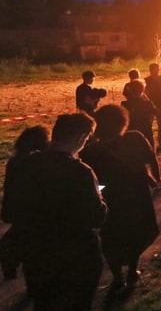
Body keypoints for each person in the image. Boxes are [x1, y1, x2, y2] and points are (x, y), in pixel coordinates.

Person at [4, 112, 106, 310]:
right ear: (80, 138)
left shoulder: (23, 166)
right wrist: (101, 201)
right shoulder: (81, 172)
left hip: (37, 257)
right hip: (76, 259)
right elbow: (96, 217)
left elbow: (9, 212)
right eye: (86, 139)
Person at [80, 104, 161, 294]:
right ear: (123, 122)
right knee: (135, 232)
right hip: (137, 196)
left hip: (110, 201)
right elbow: (151, 158)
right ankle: (132, 271)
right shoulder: (135, 139)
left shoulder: (89, 152)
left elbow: (92, 182)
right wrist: (154, 178)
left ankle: (117, 278)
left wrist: (100, 192)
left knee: (111, 237)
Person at [0, 126, 51, 281]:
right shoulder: (43, 162)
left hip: (20, 211)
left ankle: (11, 266)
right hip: (38, 212)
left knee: (19, 238)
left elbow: (9, 187)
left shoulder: (15, 162)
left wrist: (8, 210)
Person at [121, 79, 157, 149]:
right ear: (143, 91)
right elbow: (153, 113)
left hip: (131, 132)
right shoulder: (147, 103)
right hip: (146, 131)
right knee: (150, 150)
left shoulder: (125, 104)